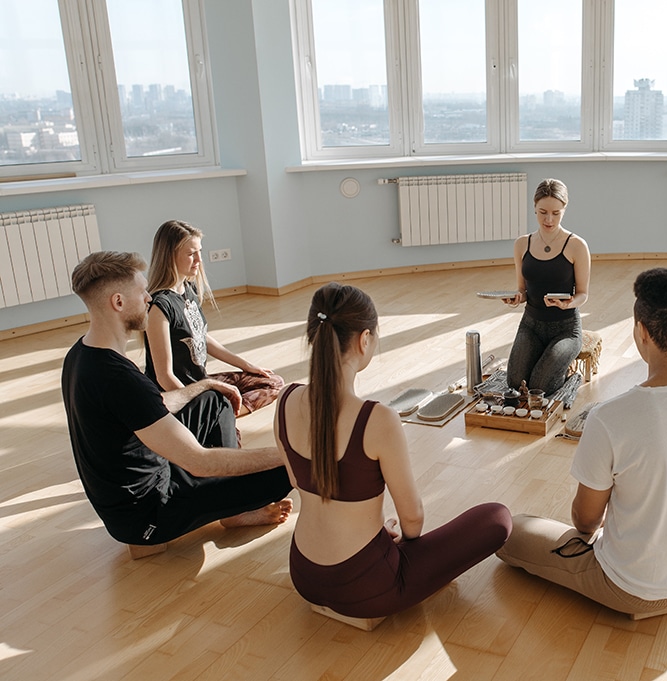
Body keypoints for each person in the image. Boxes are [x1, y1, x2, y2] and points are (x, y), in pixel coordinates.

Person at [497, 268, 667, 618]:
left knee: (507, 530)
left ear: (641, 332)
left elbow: (586, 522)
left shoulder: (610, 417)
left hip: (629, 587)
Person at [276, 282, 512, 619]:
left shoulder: (285, 400)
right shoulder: (377, 419)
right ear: (364, 339)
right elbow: (412, 520)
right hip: (367, 588)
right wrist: (389, 541)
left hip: (305, 575)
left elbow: (302, 484)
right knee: (497, 518)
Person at [61, 251, 293, 558]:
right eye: (142, 292)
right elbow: (200, 462)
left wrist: (206, 384)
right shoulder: (119, 379)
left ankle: (233, 510)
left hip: (136, 492)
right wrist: (291, 452)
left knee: (213, 400)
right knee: (298, 467)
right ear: (118, 303)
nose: (149, 298)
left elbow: (150, 405)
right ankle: (215, 513)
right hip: (149, 514)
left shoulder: (82, 355)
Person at [144, 219, 283, 416]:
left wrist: (246, 365)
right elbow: (164, 377)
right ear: (169, 256)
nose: (199, 260)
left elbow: (201, 337)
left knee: (272, 382)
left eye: (199, 251)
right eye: (191, 254)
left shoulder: (188, 289)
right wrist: (200, 403)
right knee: (229, 439)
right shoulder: (159, 307)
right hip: (178, 394)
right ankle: (217, 415)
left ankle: (222, 414)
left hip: (201, 382)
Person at [503, 178, 591, 394]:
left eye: (556, 213)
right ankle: (546, 358)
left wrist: (569, 303)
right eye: (543, 212)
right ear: (534, 208)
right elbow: (523, 289)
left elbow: (583, 294)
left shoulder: (577, 245)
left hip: (565, 329)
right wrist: (517, 297)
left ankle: (569, 376)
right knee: (514, 383)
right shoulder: (522, 244)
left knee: (539, 388)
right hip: (530, 325)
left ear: (564, 210)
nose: (549, 219)